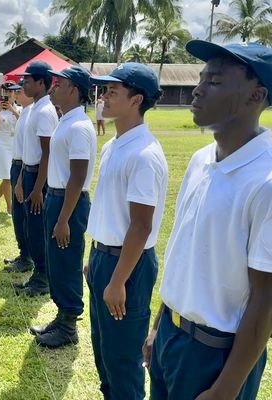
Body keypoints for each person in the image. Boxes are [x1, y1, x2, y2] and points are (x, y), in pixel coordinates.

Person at [144, 41, 272, 400]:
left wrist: (226, 388)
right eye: (200, 78)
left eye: (214, 81)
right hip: (172, 335)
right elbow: (184, 254)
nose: (198, 89)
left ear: (255, 95)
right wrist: (160, 324)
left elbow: (266, 298)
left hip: (216, 355)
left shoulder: (266, 181)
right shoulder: (201, 159)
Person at [86, 63, 168, 400]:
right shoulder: (113, 145)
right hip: (105, 258)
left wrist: (118, 280)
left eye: (112, 91)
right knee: (104, 351)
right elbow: (110, 208)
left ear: (136, 100)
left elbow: (141, 225)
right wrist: (97, 256)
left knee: (123, 358)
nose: (103, 97)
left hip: (128, 266)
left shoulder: (144, 154)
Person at [31, 66, 97, 349]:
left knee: (67, 261)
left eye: (60, 83)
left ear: (74, 90)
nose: (54, 87)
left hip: (70, 201)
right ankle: (62, 315)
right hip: (58, 197)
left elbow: (78, 176)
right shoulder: (66, 120)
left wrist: (64, 219)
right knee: (56, 260)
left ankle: (69, 324)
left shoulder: (80, 126)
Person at [13, 61, 59, 296]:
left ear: (42, 82)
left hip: (40, 177)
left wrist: (39, 188)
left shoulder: (45, 111)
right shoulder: (35, 108)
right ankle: (38, 274)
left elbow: (47, 153)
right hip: (29, 173)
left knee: (38, 230)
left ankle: (43, 277)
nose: (23, 84)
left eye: (28, 80)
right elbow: (29, 152)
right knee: (31, 228)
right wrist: (22, 179)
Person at [3, 79, 34, 273]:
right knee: (18, 214)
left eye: (19, 91)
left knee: (24, 215)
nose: (16, 94)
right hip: (17, 165)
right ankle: (24, 253)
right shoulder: (26, 113)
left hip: (24, 167)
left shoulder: (30, 113)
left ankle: (27, 257)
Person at [0, 81, 22, 214]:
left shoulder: (20, 109)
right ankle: (10, 207)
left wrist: (13, 110)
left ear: (15, 94)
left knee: (10, 175)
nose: (8, 95)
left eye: (11, 92)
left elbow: (23, 123)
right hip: (2, 142)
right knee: (7, 176)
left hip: (15, 142)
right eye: (6, 92)